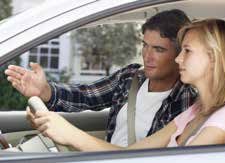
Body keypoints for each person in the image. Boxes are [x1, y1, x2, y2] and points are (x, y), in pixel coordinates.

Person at [24, 18, 225, 152]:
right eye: (144, 45)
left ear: (214, 58)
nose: (178, 59)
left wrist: (70, 134)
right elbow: (131, 154)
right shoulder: (197, 111)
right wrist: (64, 130)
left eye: (187, 51)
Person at [4, 9, 197, 147]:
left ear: (180, 55)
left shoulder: (186, 99)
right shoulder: (131, 77)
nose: (147, 56)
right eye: (145, 45)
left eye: (159, 49)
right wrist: (45, 91)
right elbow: (87, 95)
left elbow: (148, 156)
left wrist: (72, 136)